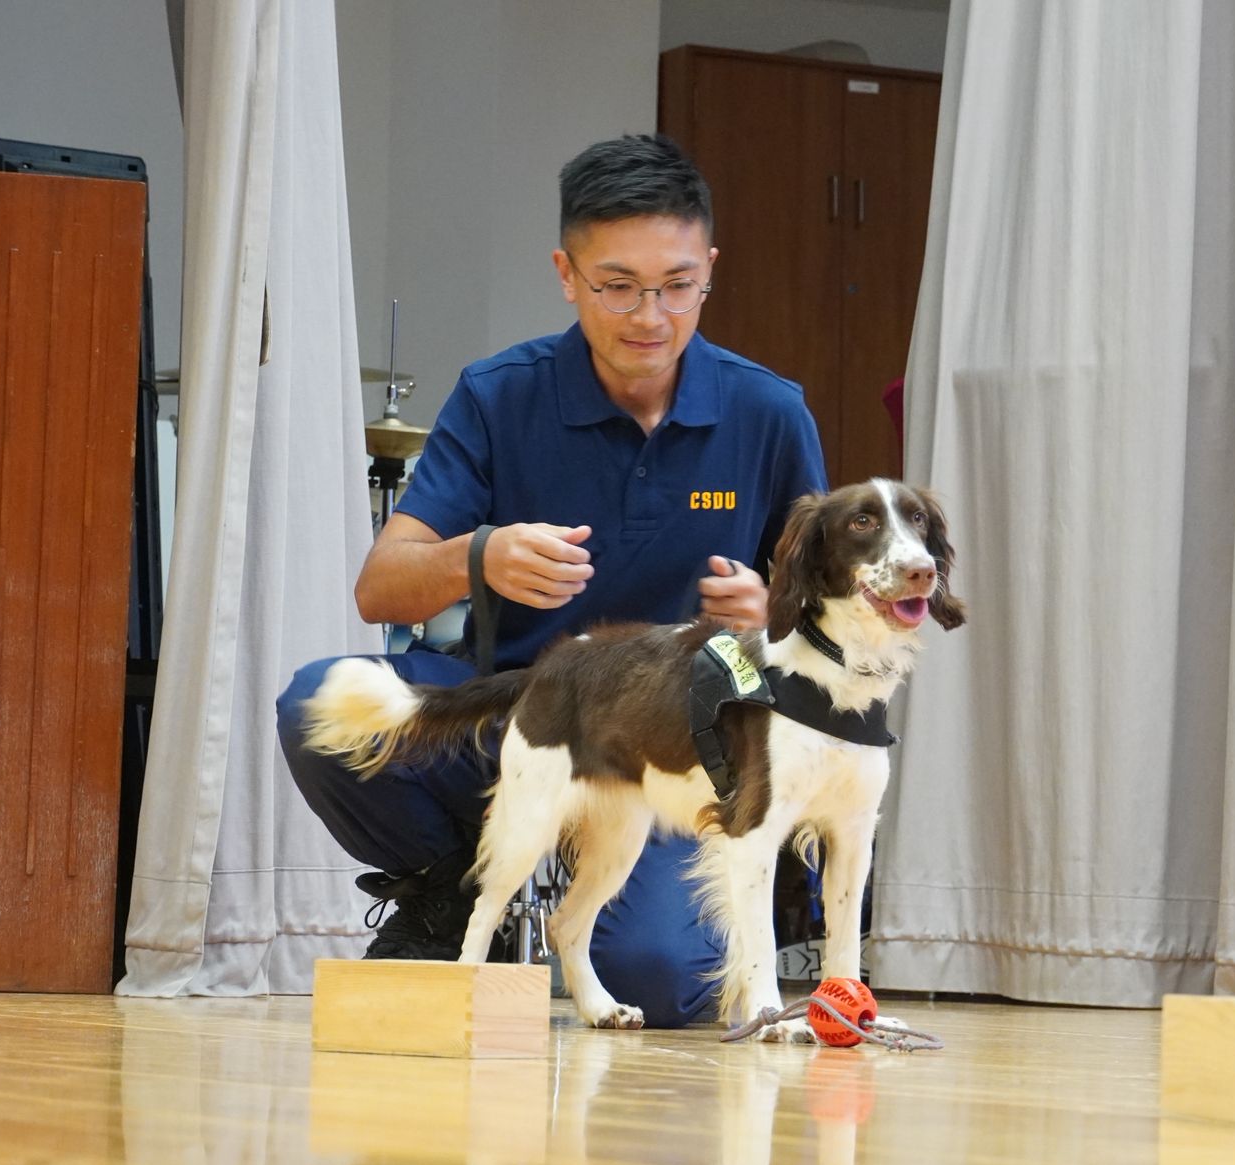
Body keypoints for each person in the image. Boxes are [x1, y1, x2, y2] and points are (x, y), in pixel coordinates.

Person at [276, 133, 828, 1028]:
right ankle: (451, 890)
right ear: (566, 274)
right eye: (618, 286)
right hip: (512, 710)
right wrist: (478, 555)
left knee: (658, 979)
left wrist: (772, 616)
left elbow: (831, 627)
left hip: (676, 749)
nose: (651, 315)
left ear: (710, 271)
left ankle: (598, 914)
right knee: (316, 708)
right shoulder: (500, 394)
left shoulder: (768, 412)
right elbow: (381, 588)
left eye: (678, 285)